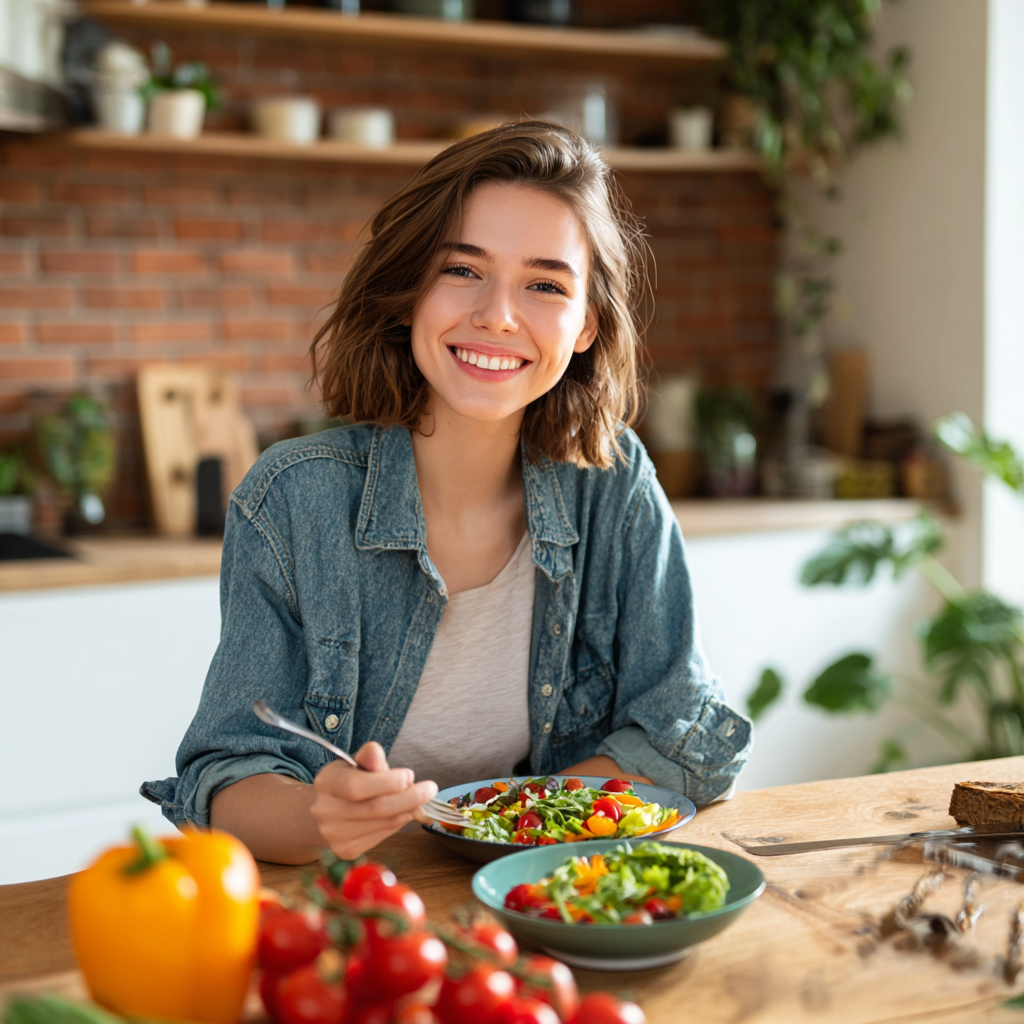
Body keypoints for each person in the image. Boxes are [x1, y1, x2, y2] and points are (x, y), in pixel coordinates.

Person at [142, 121, 751, 864]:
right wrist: (319, 815)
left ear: (586, 325)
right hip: (361, 901)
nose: (498, 315)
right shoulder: (292, 499)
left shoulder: (613, 483)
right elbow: (228, 778)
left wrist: (499, 821)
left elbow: (686, 730)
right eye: (462, 270)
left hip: (552, 888)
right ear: (407, 294)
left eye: (545, 284)